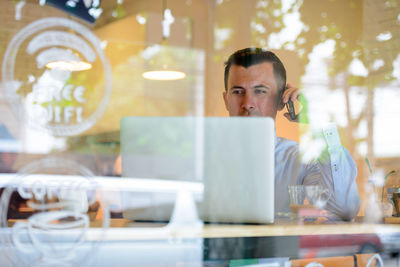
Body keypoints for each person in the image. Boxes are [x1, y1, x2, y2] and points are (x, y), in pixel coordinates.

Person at [223, 47, 361, 221]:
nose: (248, 103)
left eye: (260, 91)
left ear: (281, 101)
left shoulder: (303, 160)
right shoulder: (200, 158)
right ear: (226, 100)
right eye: (237, 92)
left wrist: (319, 122)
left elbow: (343, 211)